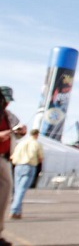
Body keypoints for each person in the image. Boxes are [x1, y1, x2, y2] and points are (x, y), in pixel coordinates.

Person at [0, 86, 26, 246]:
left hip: (4, 159)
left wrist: (21, 132)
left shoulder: (8, 115)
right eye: (5, 100)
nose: (7, 104)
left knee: (4, 194)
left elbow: (15, 132)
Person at [9, 128, 44, 219]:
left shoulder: (21, 143)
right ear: (37, 135)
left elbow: (12, 156)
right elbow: (41, 158)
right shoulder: (36, 144)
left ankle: (18, 211)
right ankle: (14, 210)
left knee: (17, 189)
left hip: (18, 166)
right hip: (29, 166)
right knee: (22, 189)